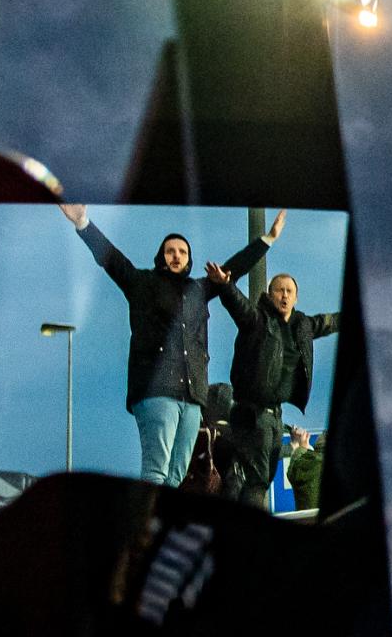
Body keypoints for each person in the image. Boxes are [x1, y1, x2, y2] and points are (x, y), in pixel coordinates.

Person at [61, 203, 277, 485]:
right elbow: (112, 260)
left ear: (189, 259)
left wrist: (267, 239)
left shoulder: (199, 289)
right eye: (171, 251)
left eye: (182, 252)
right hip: (157, 390)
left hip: (193, 395)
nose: (177, 256)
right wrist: (83, 223)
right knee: (156, 469)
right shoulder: (143, 283)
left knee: (176, 475)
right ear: (161, 256)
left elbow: (233, 269)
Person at [203, 262, 340, 512]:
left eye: (289, 291)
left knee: (261, 480)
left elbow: (328, 322)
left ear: (296, 297)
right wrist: (224, 284)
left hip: (275, 416)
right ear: (269, 294)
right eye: (279, 290)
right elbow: (238, 305)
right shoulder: (258, 320)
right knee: (256, 481)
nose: (284, 295)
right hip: (252, 413)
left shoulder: (302, 326)